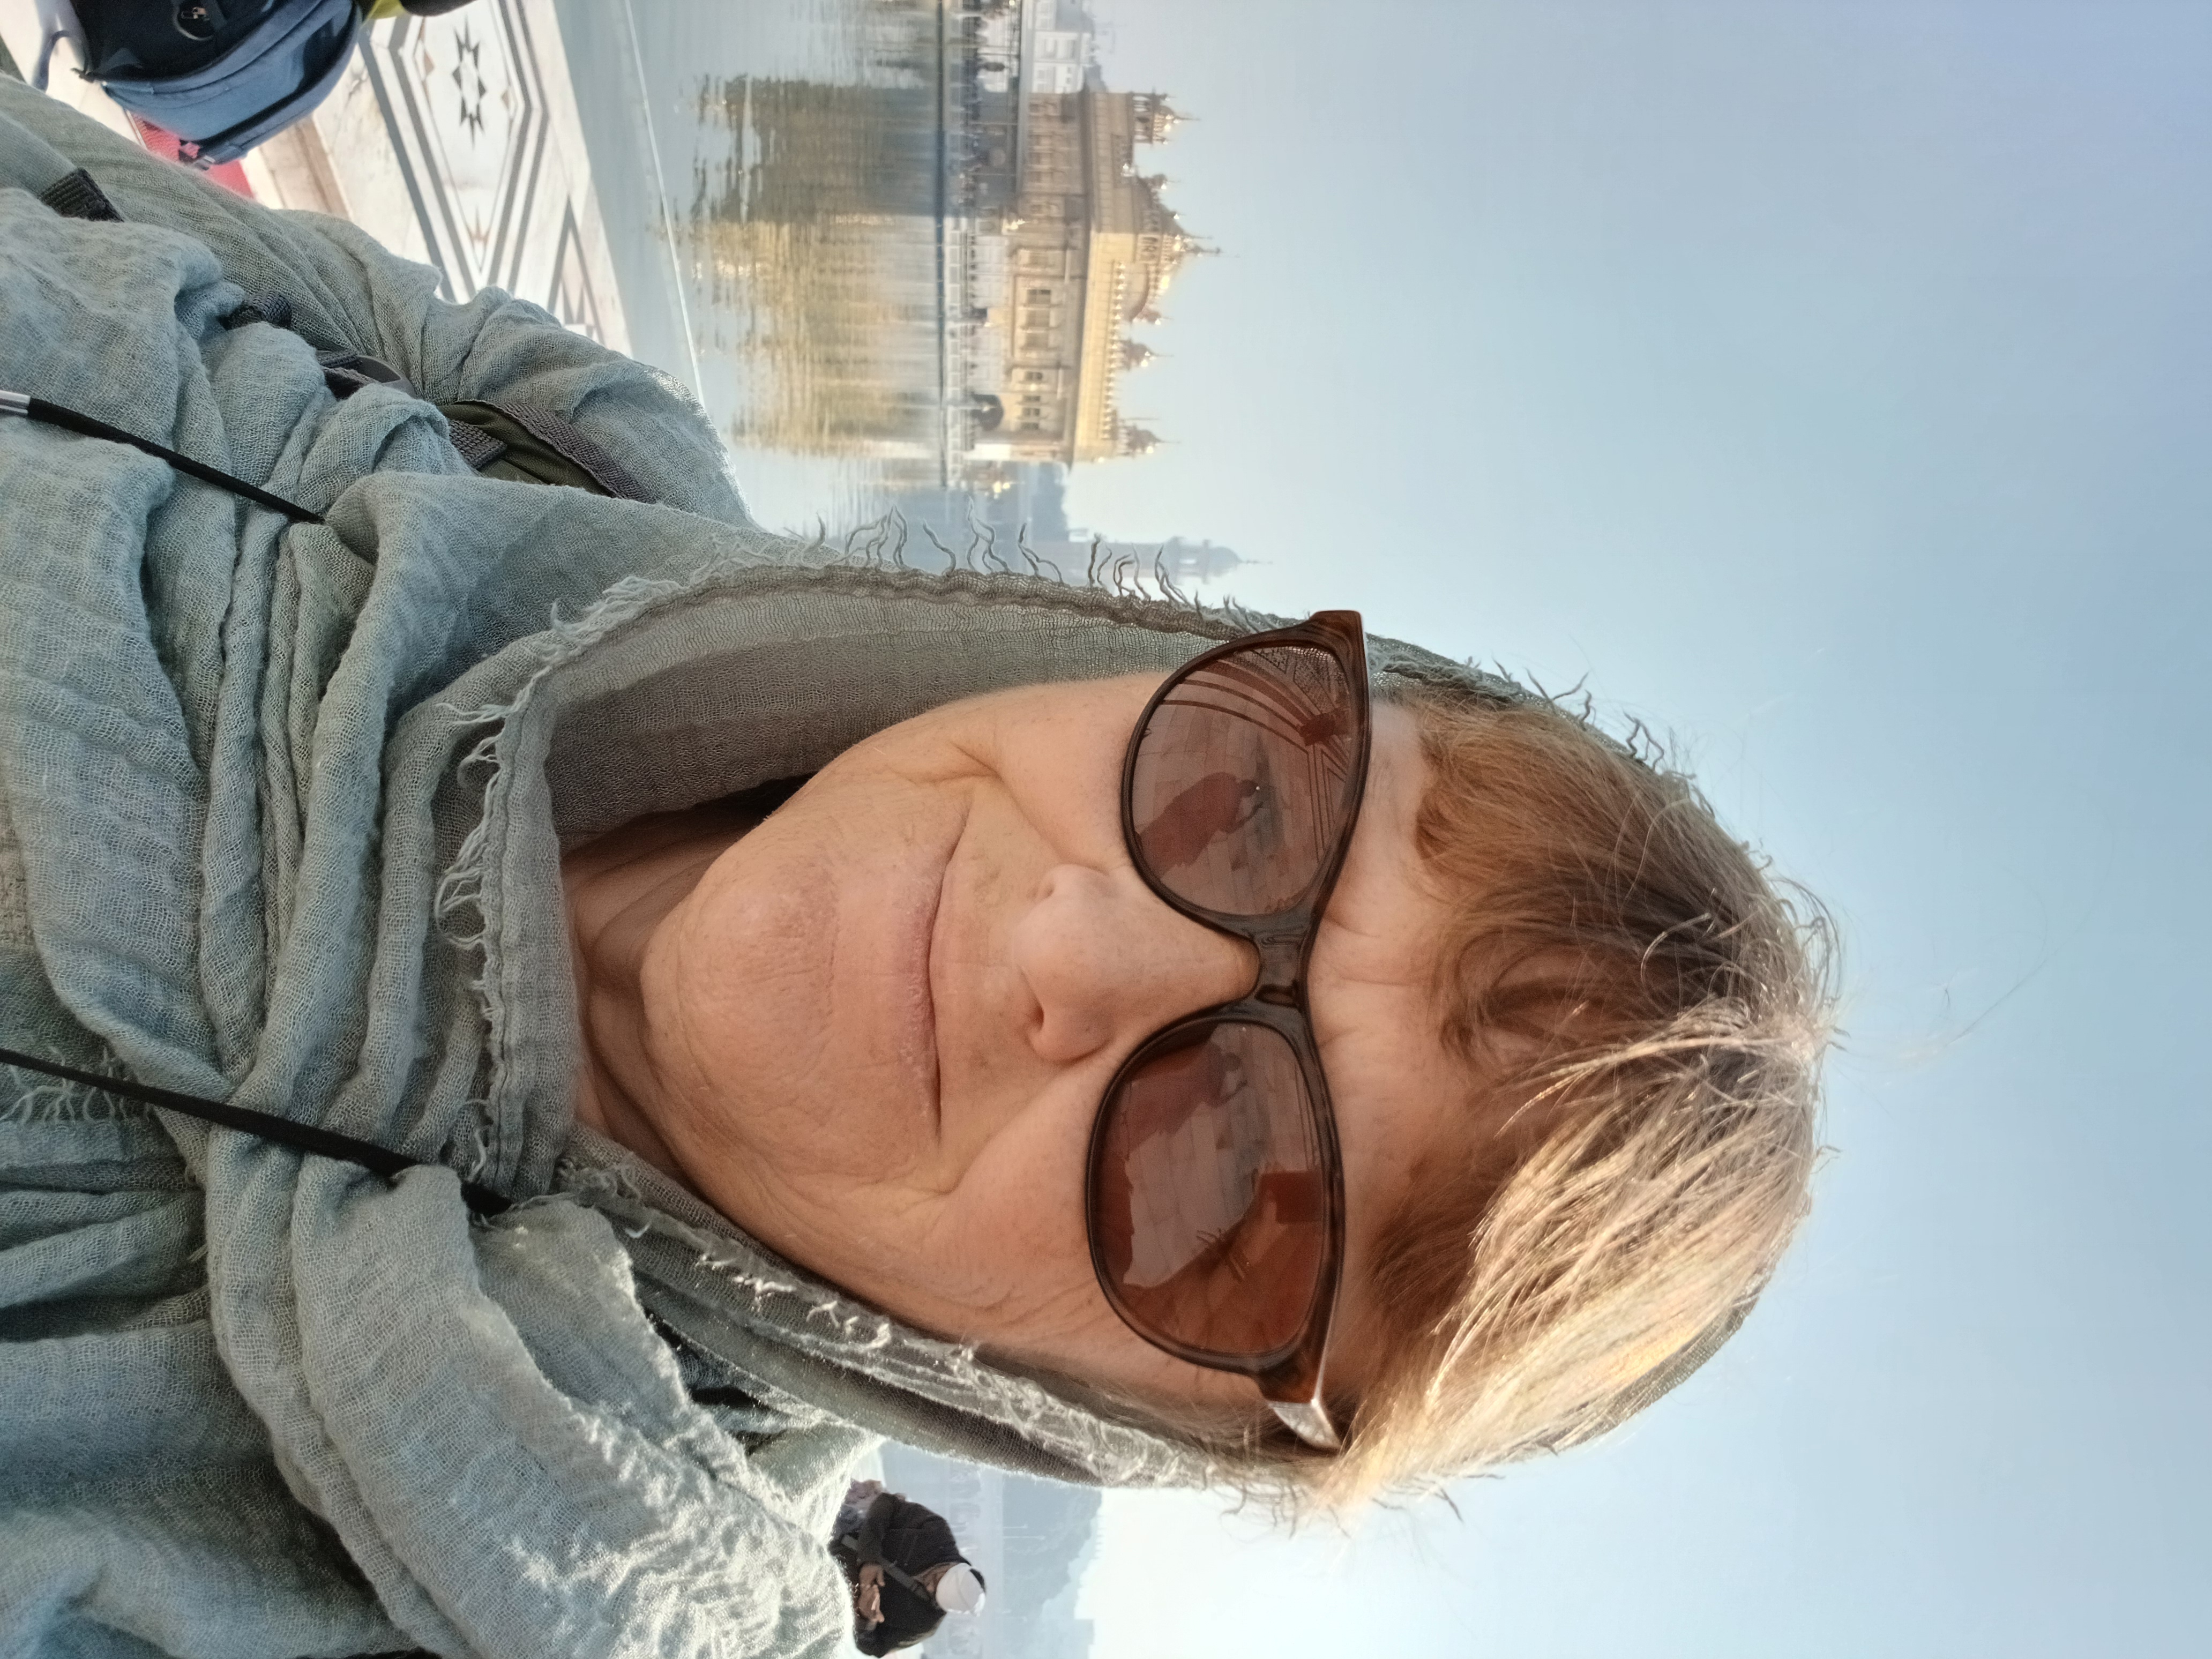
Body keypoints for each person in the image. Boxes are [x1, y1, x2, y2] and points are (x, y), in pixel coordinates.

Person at [0, 65, 1833, 1659]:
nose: (1072, 949)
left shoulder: (370, 1581)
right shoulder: (542, 443)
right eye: (1244, 801)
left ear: (1123, 1417)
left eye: (1227, 1182)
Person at [828, 1480, 987, 1654]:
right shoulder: (937, 1533)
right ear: (953, 1565)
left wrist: (866, 1619)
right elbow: (888, 1503)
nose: (929, 1587)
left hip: (833, 1589)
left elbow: (872, 1646)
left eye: (935, 1594)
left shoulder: (924, 1625)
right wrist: (870, 1559)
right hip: (844, 1526)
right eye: (937, 1579)